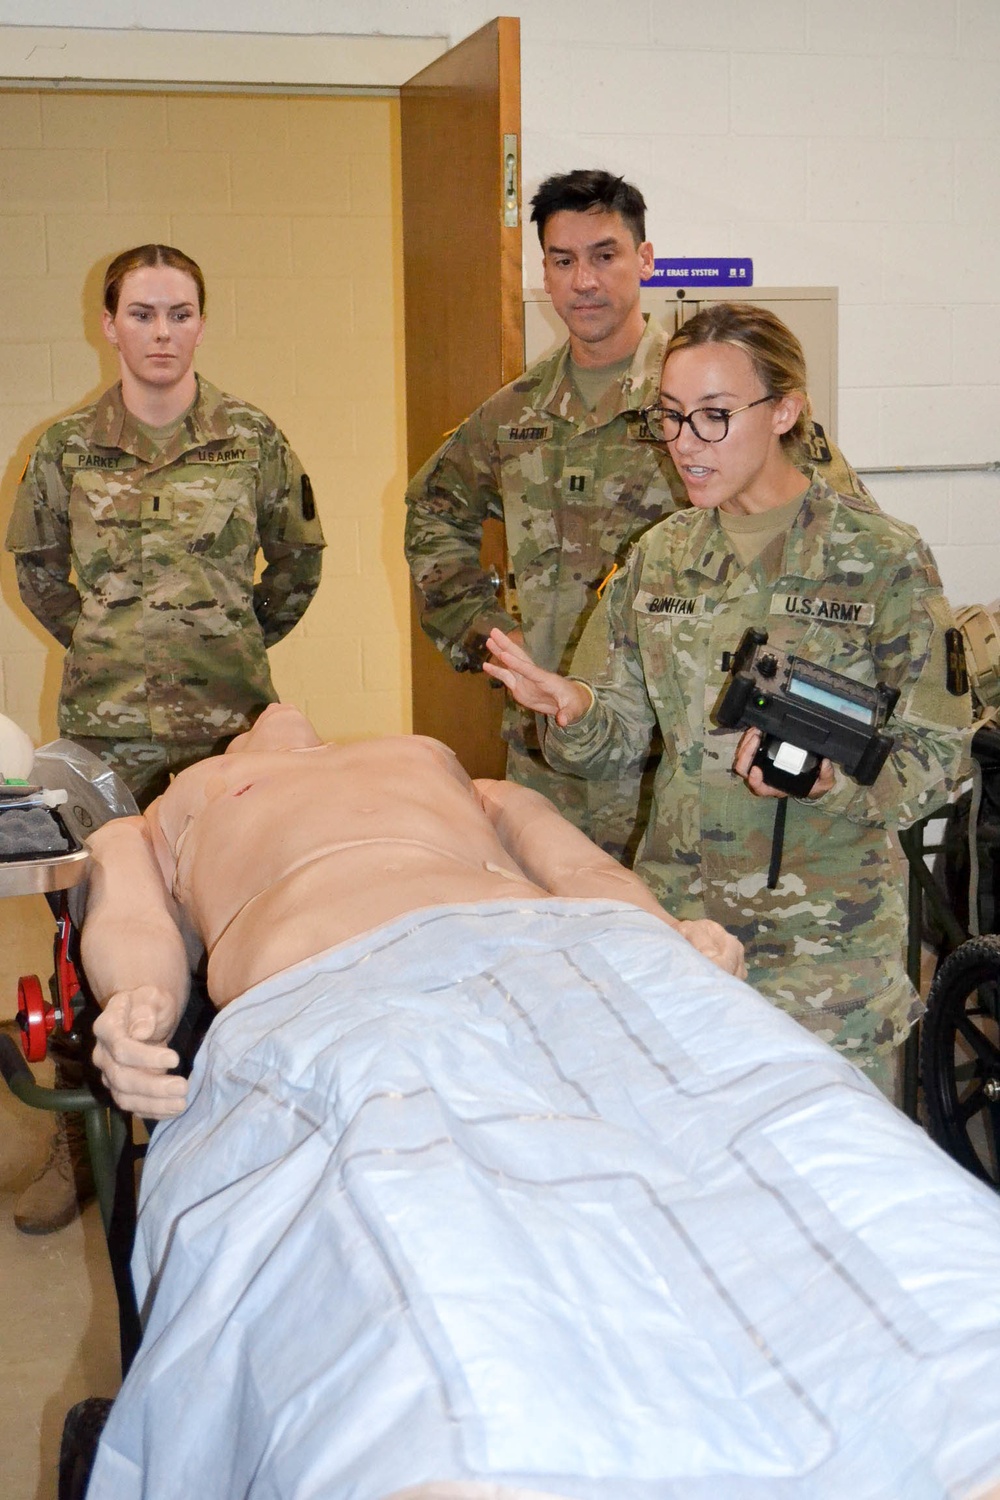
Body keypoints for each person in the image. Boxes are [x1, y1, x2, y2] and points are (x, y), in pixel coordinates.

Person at [484, 302, 973, 1097]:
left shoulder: (881, 562)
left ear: (785, 410)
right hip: (685, 929)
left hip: (827, 957)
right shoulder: (660, 558)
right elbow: (615, 737)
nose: (684, 443)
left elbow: (939, 757)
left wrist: (833, 785)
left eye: (714, 417)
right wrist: (571, 709)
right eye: (671, 418)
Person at [405, 169, 868, 861]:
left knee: (683, 950)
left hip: (686, 755)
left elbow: (840, 533)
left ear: (644, 261)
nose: (584, 280)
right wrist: (487, 636)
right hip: (555, 750)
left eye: (604, 255)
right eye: (563, 261)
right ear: (545, 272)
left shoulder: (713, 394)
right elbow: (431, 513)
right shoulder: (516, 413)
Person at [4, 243, 326, 1232]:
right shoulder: (62, 451)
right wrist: (117, 650)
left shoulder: (252, 439)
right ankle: (83, 1153)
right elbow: (39, 576)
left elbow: (297, 564)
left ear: (201, 321)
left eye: (179, 313)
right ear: (109, 323)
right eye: (142, 314)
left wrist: (220, 649)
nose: (161, 333)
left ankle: (224, 1148)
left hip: (230, 735)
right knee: (89, 947)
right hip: (104, 736)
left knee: (234, 936)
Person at [84, 703, 745, 1121]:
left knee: (688, 1110)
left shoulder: (437, 761)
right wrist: (139, 1006)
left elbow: (582, 872)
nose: (282, 710)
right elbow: (133, 921)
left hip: (530, 947)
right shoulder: (167, 810)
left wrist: (667, 939)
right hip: (328, 983)